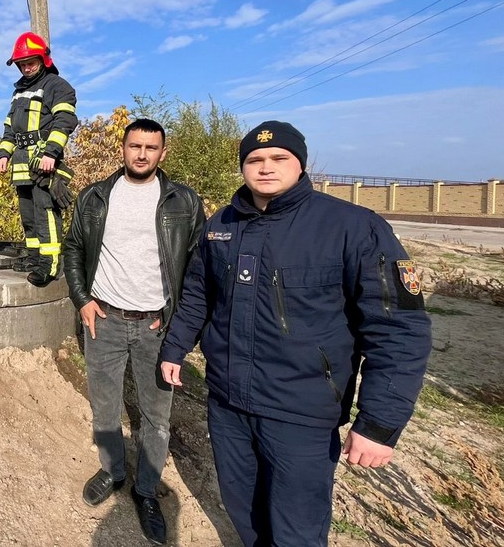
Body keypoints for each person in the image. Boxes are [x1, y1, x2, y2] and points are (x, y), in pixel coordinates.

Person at [160, 121, 432, 546]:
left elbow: (398, 330)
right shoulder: (221, 226)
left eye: (278, 158)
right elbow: (198, 294)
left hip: (300, 413)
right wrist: (175, 348)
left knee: (296, 530)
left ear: (300, 164)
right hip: (229, 405)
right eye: (254, 160)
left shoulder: (353, 227)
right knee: (245, 511)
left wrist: (379, 423)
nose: (265, 168)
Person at [63, 118, 206, 545]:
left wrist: (178, 314)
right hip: (103, 321)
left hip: (156, 327)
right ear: (122, 149)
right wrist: (82, 298)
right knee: (104, 407)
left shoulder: (183, 202)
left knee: (156, 416)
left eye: (151, 147)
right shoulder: (94, 197)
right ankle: (112, 471)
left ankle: (146, 492)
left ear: (163, 152)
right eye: (134, 146)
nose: (141, 154)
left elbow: (198, 264)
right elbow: (73, 247)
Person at [0, 31, 78, 287]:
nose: (27, 67)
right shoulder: (19, 91)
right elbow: (10, 127)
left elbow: (64, 121)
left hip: (43, 164)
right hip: (21, 165)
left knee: (46, 215)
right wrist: (3, 153)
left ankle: (50, 266)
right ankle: (34, 259)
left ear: (43, 59)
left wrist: (51, 153)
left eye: (31, 61)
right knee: (29, 217)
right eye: (23, 63)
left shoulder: (58, 86)